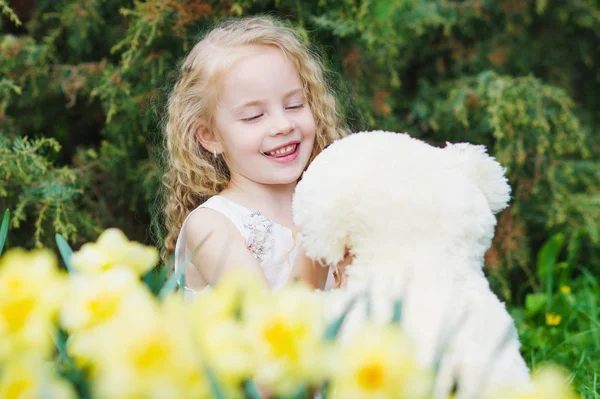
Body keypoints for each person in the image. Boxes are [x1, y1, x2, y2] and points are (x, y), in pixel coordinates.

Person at [160, 16, 350, 298]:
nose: (283, 125)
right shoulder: (211, 227)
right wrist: (319, 237)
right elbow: (273, 329)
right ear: (210, 136)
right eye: (254, 116)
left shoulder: (335, 201)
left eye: (294, 105)